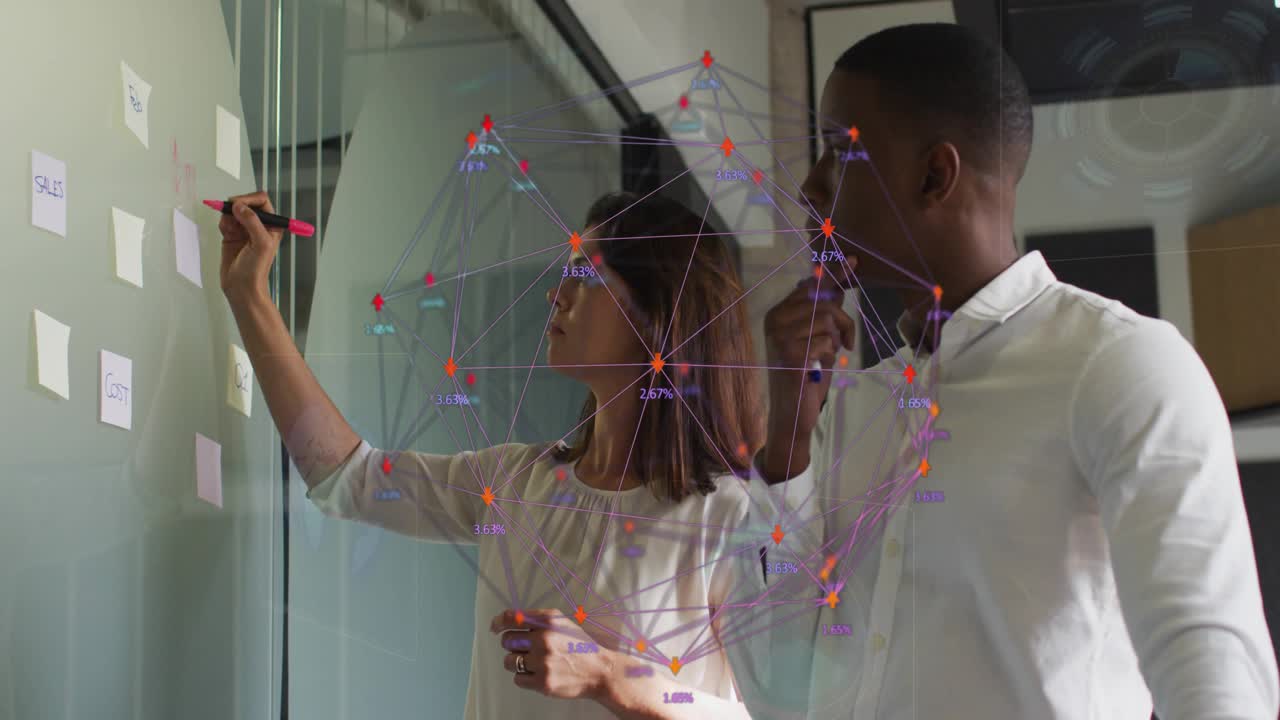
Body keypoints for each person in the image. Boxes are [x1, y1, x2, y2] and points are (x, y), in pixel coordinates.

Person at [735, 22, 1279, 720]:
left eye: (838, 155)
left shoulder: (1118, 364)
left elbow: (1208, 659)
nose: (809, 189)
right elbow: (777, 696)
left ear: (935, 174)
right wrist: (786, 447)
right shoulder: (845, 410)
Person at [218, 189, 763, 719]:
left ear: (657, 314)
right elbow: (347, 476)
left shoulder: (729, 519)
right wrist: (249, 295)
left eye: (587, 275)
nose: (558, 293)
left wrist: (608, 675)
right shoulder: (514, 482)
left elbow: (762, 716)